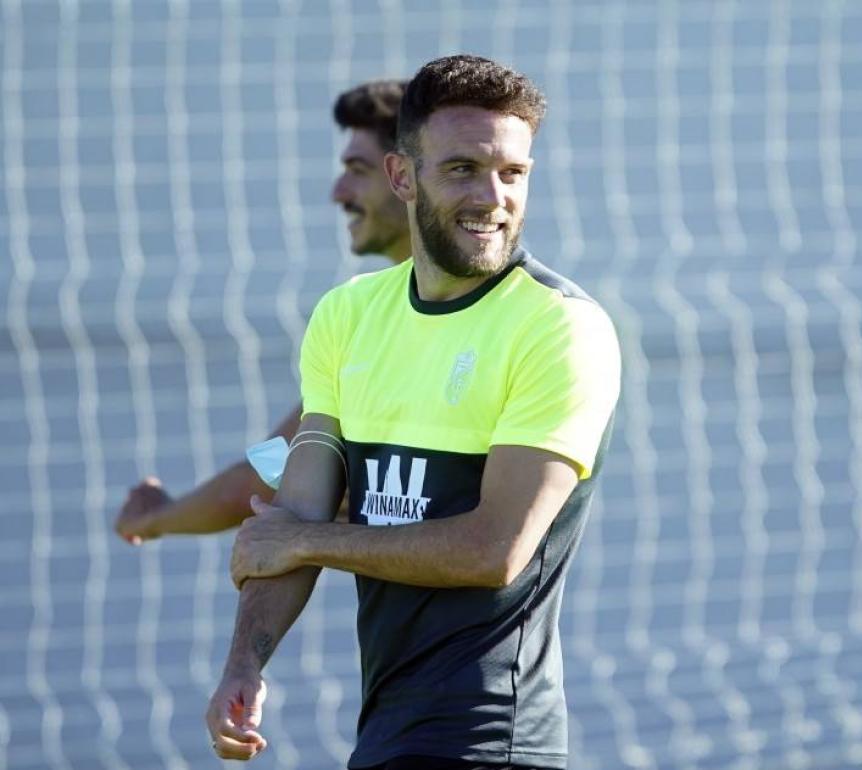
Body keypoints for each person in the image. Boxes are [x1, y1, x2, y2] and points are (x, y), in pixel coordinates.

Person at [204, 55, 621, 770]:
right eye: (462, 168)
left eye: (513, 173)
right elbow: (294, 512)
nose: (492, 196)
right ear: (404, 178)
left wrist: (311, 543)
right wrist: (244, 665)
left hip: (491, 740)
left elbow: (496, 550)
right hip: (387, 733)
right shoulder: (348, 315)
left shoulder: (560, 327)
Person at [113, 79, 411, 543]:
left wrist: (156, 516)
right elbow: (281, 466)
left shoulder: (495, 313)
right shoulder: (370, 309)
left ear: (405, 176)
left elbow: (266, 480)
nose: (338, 191)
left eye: (357, 169)